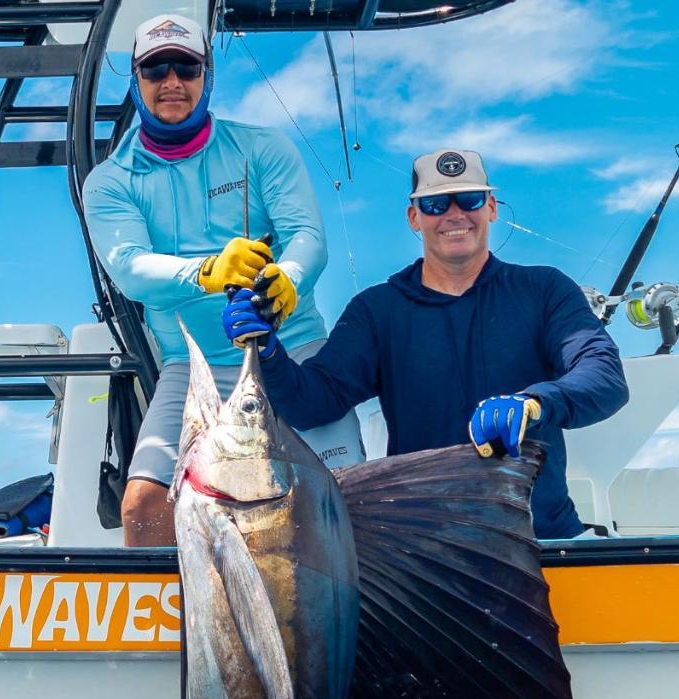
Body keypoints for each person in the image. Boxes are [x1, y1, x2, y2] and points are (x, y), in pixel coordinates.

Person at [222, 148, 629, 539]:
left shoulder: (544, 289)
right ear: (414, 217)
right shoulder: (377, 310)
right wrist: (267, 351)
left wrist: (535, 402)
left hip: (542, 538)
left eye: (468, 199)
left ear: (491, 208)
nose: (454, 215)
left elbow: (605, 377)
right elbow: (312, 402)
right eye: (435, 205)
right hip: (427, 554)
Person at [82, 14, 364, 546]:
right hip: (193, 368)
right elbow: (130, 268)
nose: (172, 82)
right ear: (136, 79)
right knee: (143, 509)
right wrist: (209, 272)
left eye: (186, 67)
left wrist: (288, 280)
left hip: (294, 348)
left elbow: (307, 235)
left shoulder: (262, 147)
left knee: (345, 495)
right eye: (155, 68)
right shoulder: (111, 181)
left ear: (206, 75)